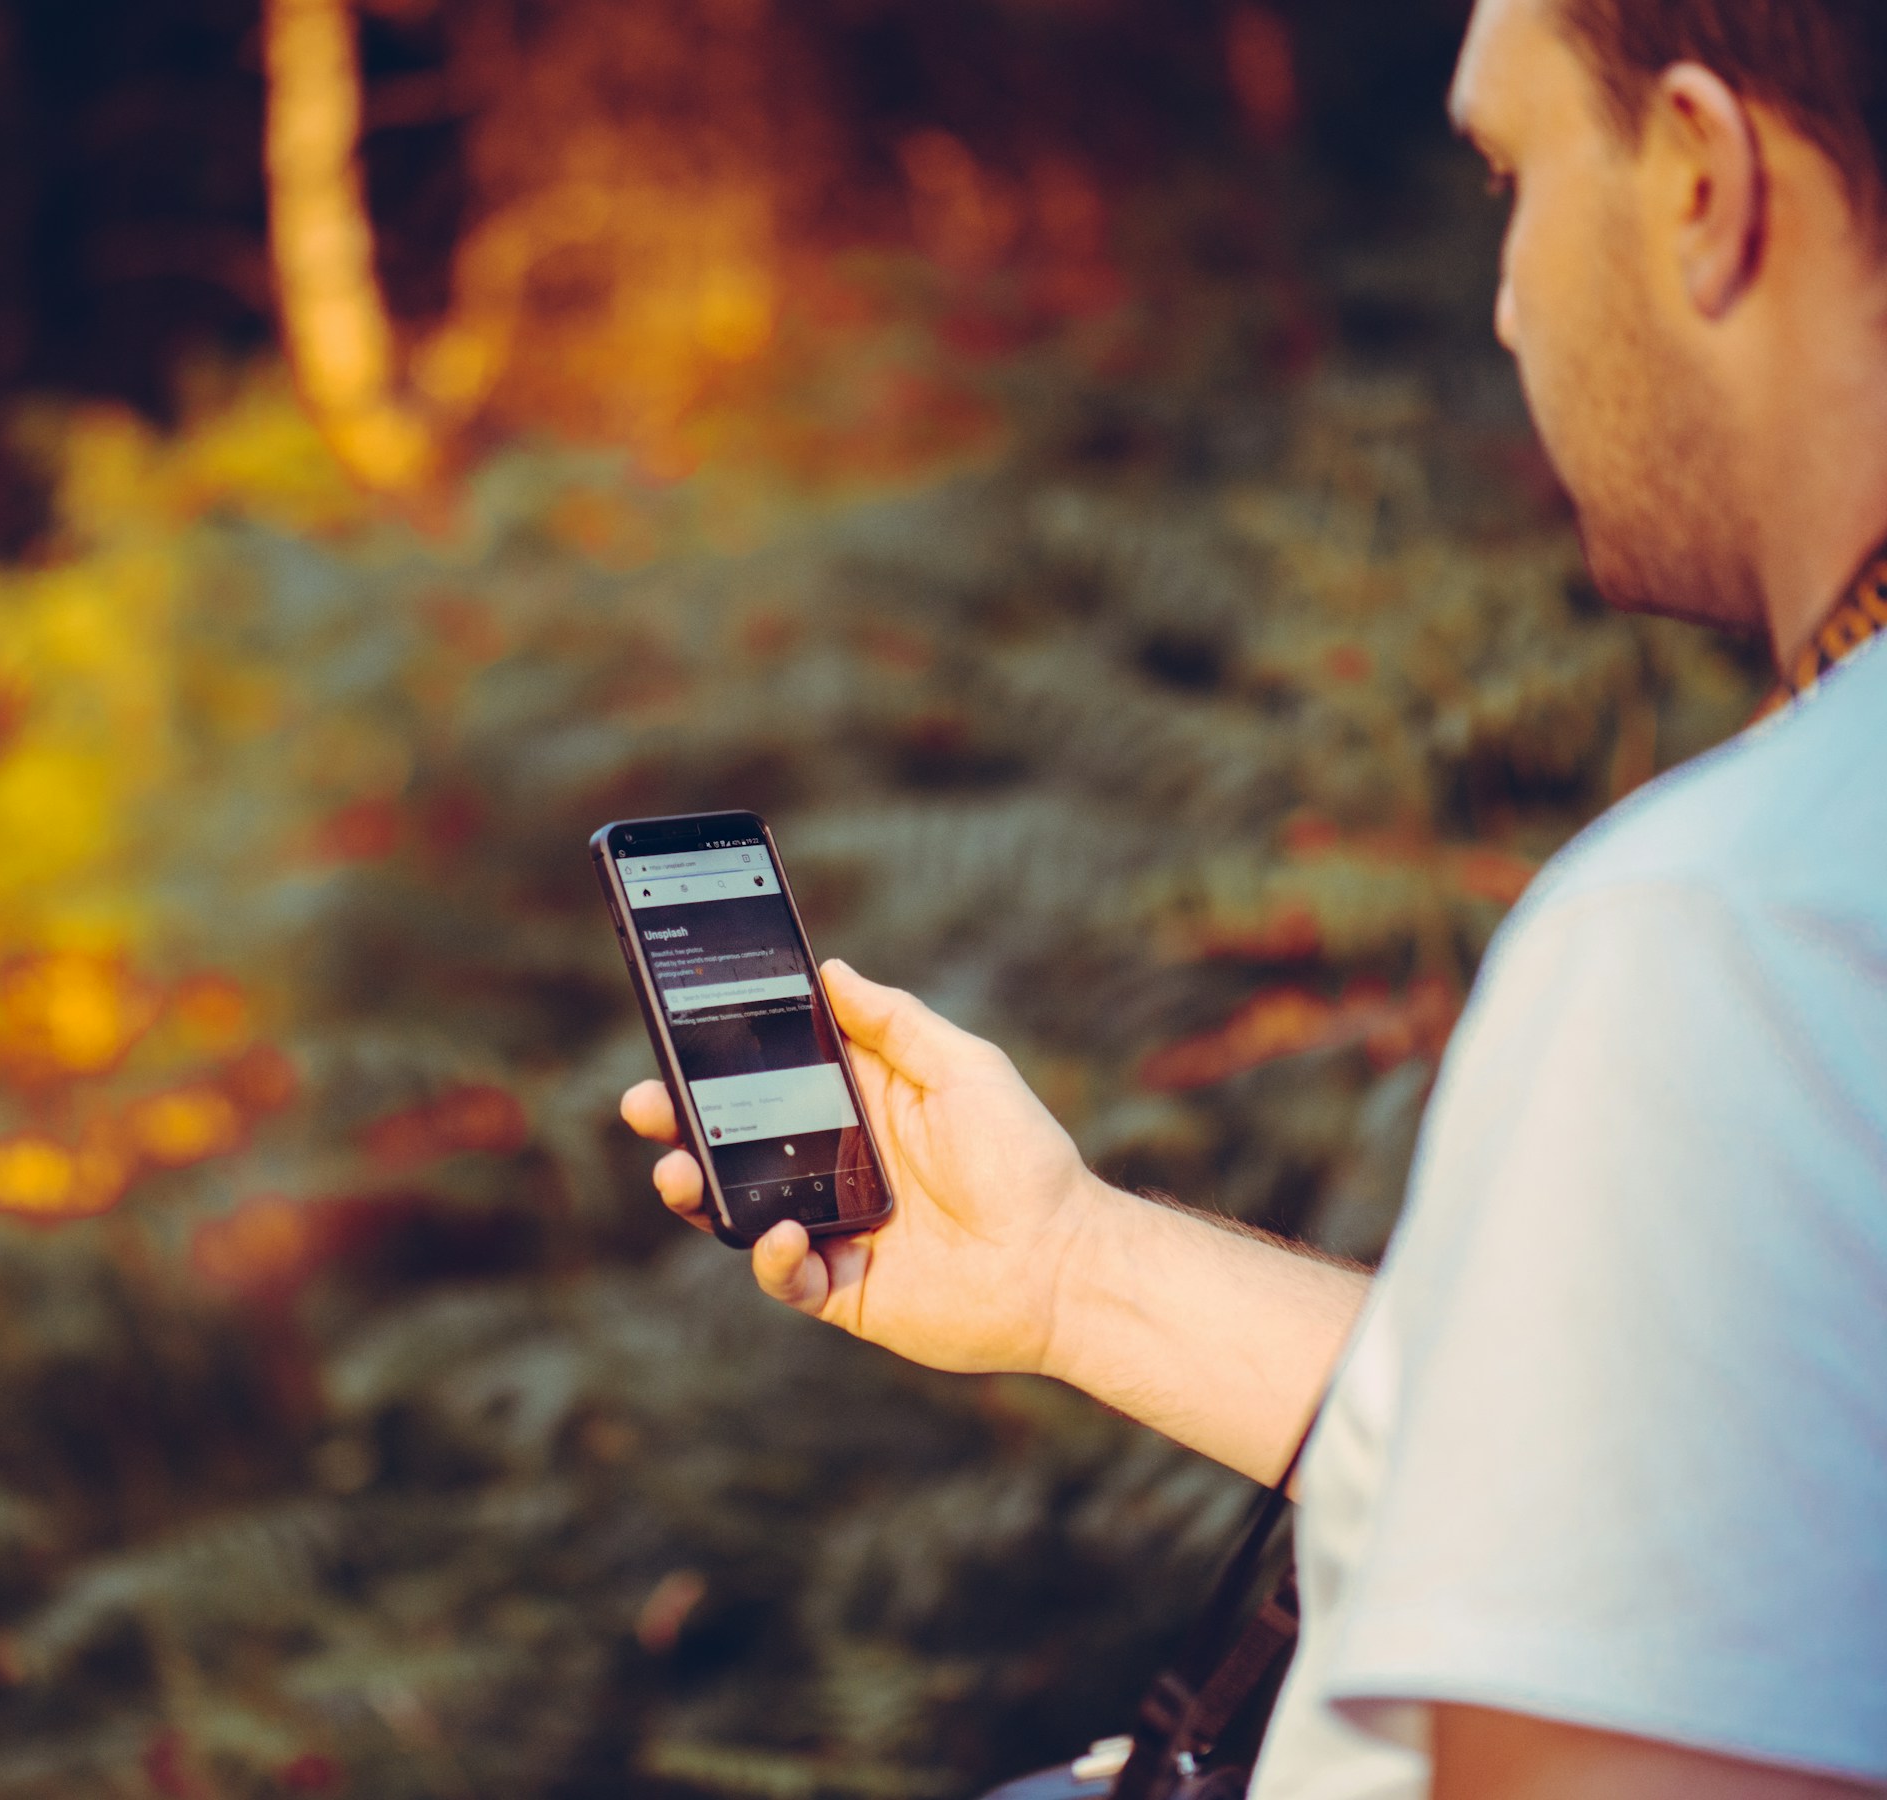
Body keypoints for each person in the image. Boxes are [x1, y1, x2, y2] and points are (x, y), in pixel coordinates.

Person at [620, 0, 1887, 1794]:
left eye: (1514, 176)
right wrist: (1075, 1272)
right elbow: (1697, 1493)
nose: (1509, 295)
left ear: (1702, 177)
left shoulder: (1729, 934)